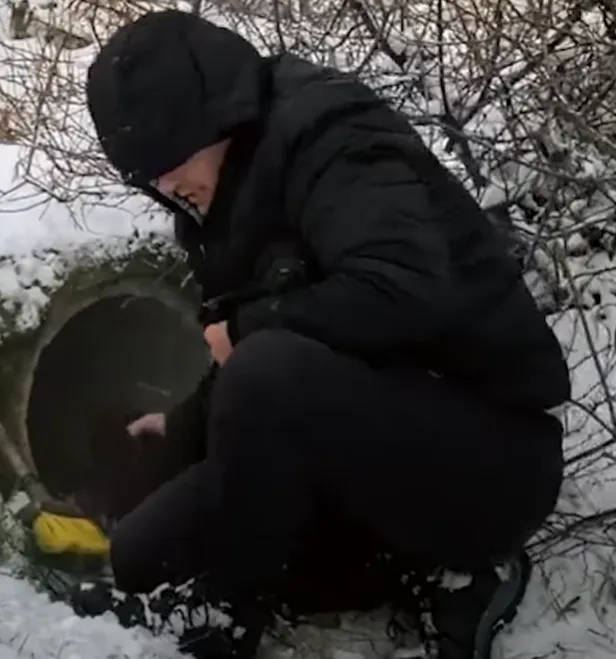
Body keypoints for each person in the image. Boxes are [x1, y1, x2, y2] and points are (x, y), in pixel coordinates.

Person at [66, 9, 570, 659]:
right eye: (147, 175)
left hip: (486, 456)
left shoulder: (328, 134)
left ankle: (235, 607)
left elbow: (401, 289)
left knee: (266, 370)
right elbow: (275, 355)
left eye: (168, 161)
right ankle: (362, 571)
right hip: (363, 439)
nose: (165, 184)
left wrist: (247, 328)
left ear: (217, 116)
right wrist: (177, 431)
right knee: (140, 554)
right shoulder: (218, 199)